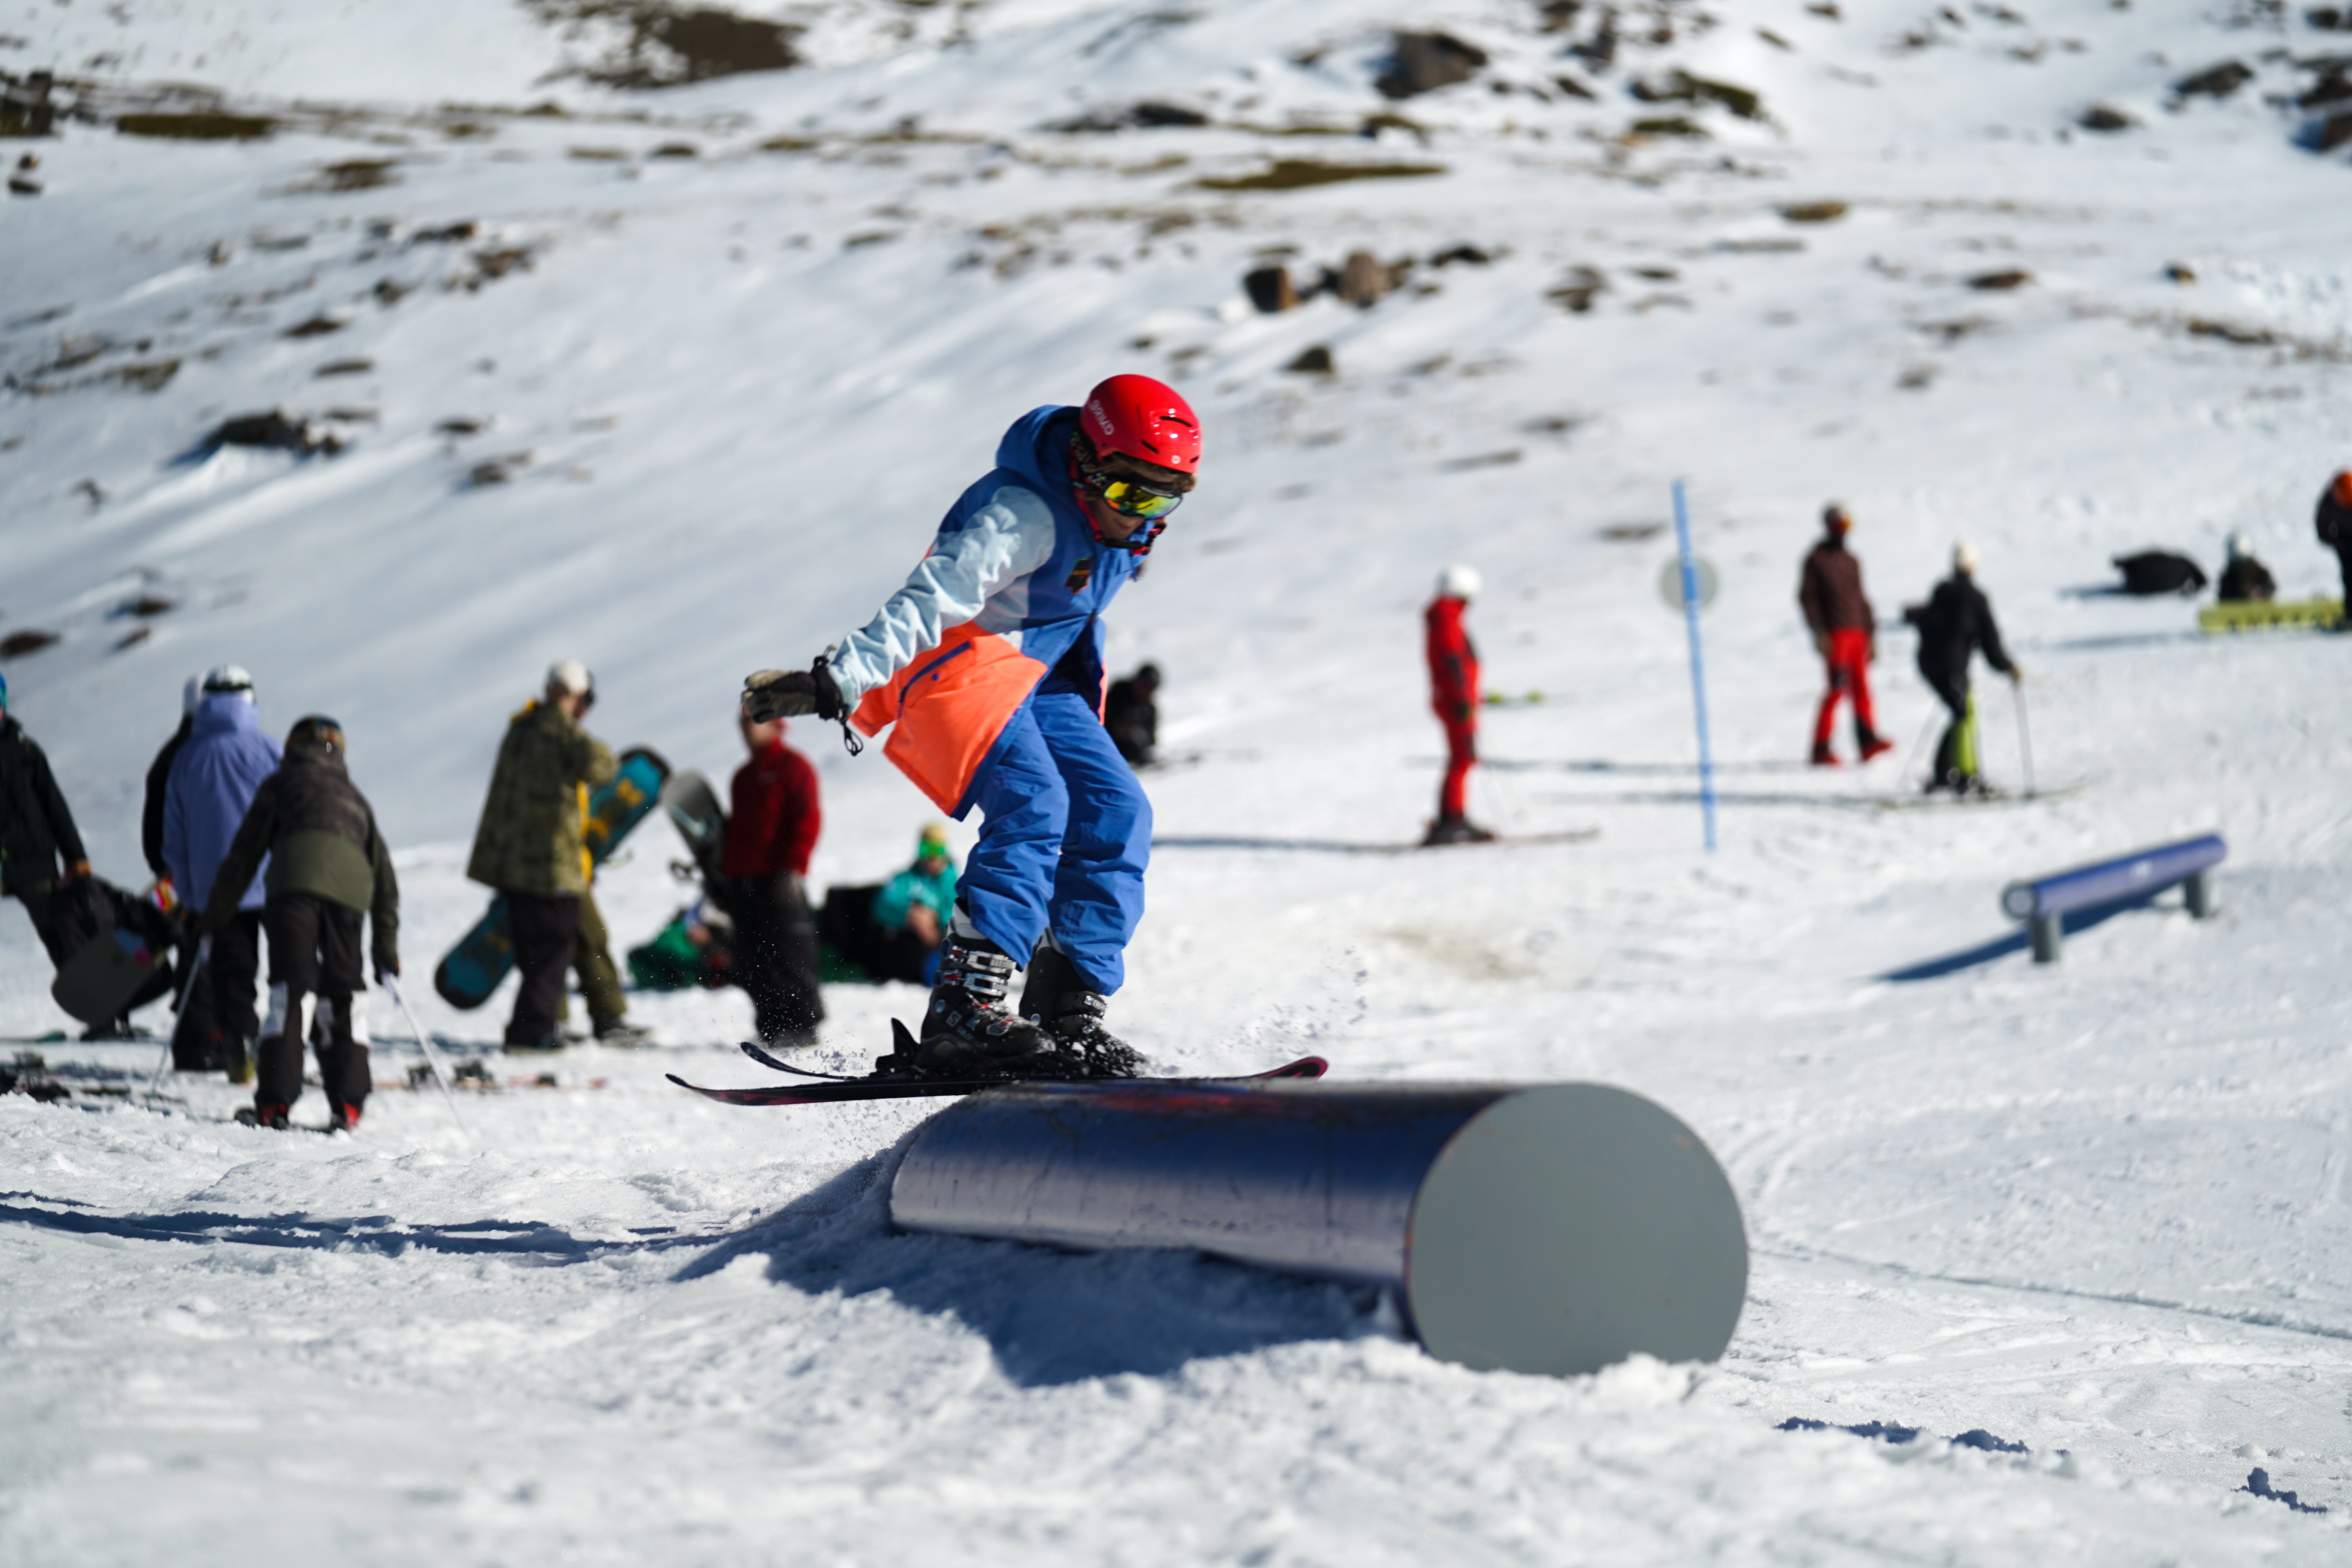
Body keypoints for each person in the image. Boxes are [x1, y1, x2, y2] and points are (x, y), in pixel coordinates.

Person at [742, 373, 1198, 1078]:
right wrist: (843, 676)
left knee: (1118, 810)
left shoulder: (1123, 521)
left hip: (1036, 676)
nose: (1141, 517)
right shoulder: (1022, 517)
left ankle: (1067, 1010)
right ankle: (965, 1008)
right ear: (1084, 462)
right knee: (1036, 804)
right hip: (957, 672)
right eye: (1127, 492)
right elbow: (932, 595)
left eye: (1163, 499)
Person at [206, 717, 399, 1133]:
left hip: (293, 886)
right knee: (345, 992)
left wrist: (215, 915)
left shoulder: (280, 786)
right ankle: (349, 1104)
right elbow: (385, 879)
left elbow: (244, 856)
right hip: (350, 891)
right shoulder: (356, 798)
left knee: (292, 992)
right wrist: (386, 948)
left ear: (292, 748)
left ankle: (274, 1103)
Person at [466, 660, 617, 1052]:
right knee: (552, 952)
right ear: (576, 696)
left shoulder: (519, 730)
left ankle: (545, 1024)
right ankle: (532, 1033)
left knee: (535, 953)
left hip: (514, 868)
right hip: (553, 868)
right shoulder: (561, 733)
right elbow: (604, 766)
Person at [164, 665, 281, 1076]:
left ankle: (241, 1048)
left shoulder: (186, 758)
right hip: (274, 881)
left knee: (234, 975)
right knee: (288, 969)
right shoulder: (271, 750)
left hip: (214, 890)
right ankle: (288, 1050)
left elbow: (174, 840)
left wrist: (190, 897)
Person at [719, 705, 824, 1048]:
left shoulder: (794, 767)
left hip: (779, 877)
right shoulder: (743, 776)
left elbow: (807, 818)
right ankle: (772, 1023)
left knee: (790, 952)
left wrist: (794, 867)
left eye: (754, 721)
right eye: (742, 722)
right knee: (753, 955)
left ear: (776, 725)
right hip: (744, 879)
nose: (747, 728)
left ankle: (803, 1024)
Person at [1908, 541, 2020, 795]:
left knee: (1960, 714)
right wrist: (2009, 668)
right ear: (1973, 566)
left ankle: (1946, 775)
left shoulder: (1942, 592)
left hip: (1929, 665)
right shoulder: (1976, 599)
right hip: (1952, 667)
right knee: (1964, 716)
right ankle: (1964, 777)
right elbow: (1991, 644)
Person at [0, 670, 91, 967]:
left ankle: (89, 991)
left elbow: (54, 807)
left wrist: (76, 857)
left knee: (64, 940)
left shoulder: (25, 750)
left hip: (34, 864)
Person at [1798, 504, 1894, 767]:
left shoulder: (1852, 561)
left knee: (1862, 689)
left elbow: (1862, 598)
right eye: (1839, 526)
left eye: (1846, 526)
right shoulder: (1816, 560)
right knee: (1837, 689)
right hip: (1836, 636)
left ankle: (1867, 741)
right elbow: (1808, 598)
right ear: (1829, 526)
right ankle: (1820, 747)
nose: (1842, 531)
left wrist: (1871, 634)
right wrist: (1819, 631)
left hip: (1858, 634)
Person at [1424, 564, 1493, 844]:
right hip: (1456, 701)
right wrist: (1463, 699)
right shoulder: (1447, 618)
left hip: (1454, 699)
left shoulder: (1445, 616)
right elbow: (1453, 660)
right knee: (1463, 757)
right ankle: (1451, 820)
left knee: (1462, 757)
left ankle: (1454, 817)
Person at [869, 823, 958, 985]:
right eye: (926, 849)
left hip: (941, 946)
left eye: (938, 850)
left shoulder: (954, 884)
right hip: (909, 947)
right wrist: (911, 915)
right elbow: (882, 905)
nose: (932, 857)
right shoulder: (906, 879)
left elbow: (958, 916)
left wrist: (933, 917)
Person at [1104, 664, 1161, 766]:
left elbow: (1151, 740)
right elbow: (1104, 715)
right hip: (1107, 744)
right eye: (1142, 685)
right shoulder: (1119, 692)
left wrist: (1136, 733)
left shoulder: (1148, 709)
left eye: (1148, 688)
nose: (1143, 690)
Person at [2314, 470, 2352, 622]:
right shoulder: (2328, 502)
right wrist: (2339, 543)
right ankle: (2350, 614)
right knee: (2349, 576)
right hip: (2344, 541)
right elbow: (2322, 530)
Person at [2216, 532, 2277, 603]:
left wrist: (2260, 592)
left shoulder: (2258, 571)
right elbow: (2224, 599)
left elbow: (2271, 587)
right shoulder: (2228, 577)